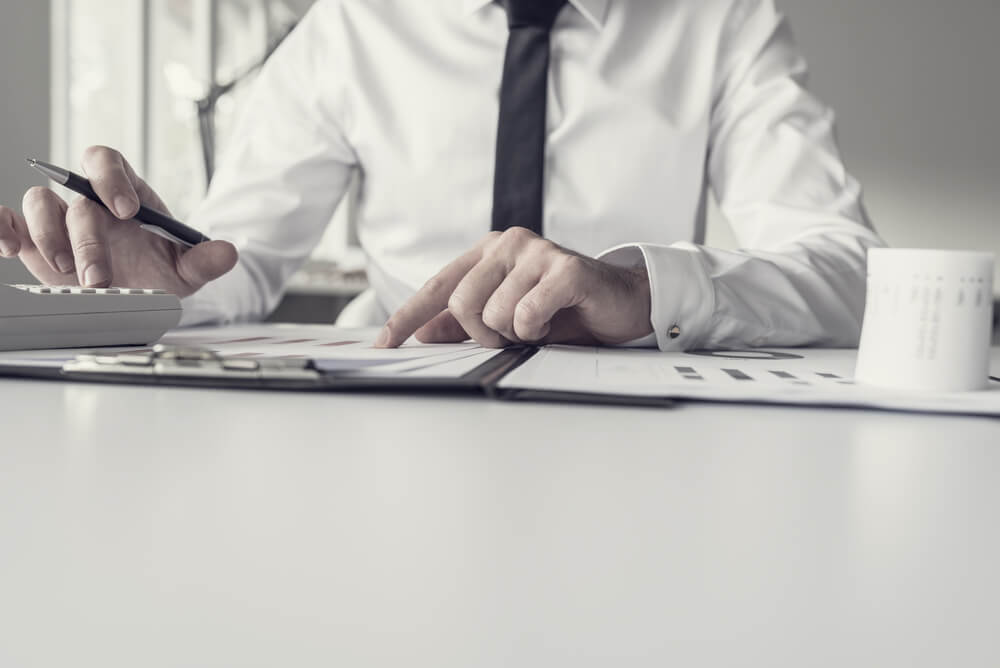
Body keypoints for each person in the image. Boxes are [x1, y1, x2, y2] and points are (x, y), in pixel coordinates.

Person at [0, 0, 884, 351]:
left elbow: (849, 271)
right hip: (391, 419)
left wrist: (647, 287)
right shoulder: (349, 29)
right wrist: (154, 288)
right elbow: (232, 265)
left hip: (642, 422)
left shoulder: (721, 21)